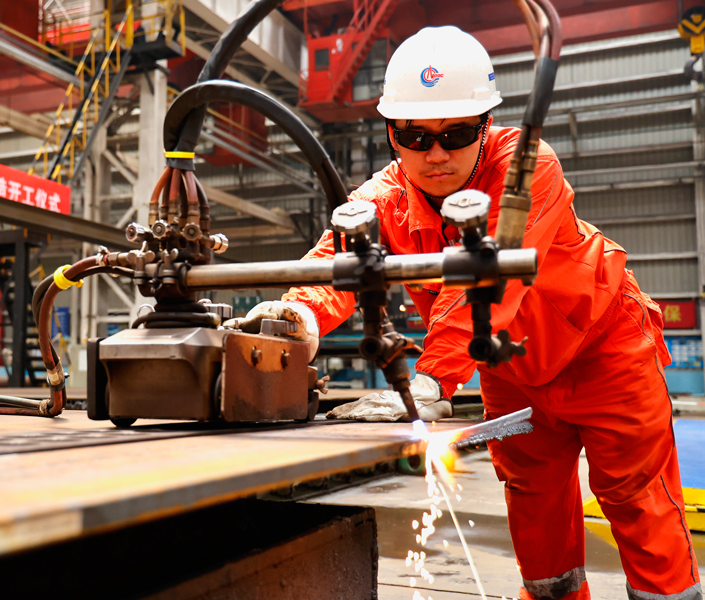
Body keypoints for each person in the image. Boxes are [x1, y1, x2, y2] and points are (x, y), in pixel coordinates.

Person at [225, 26, 701, 600]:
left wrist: (431, 378)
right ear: (391, 134)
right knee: (535, 512)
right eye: (414, 136)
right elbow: (335, 265)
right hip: (510, 369)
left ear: (486, 125)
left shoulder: (527, 169)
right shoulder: (383, 200)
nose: (435, 154)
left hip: (606, 353)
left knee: (640, 503)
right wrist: (292, 319)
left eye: (455, 134)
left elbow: (486, 279)